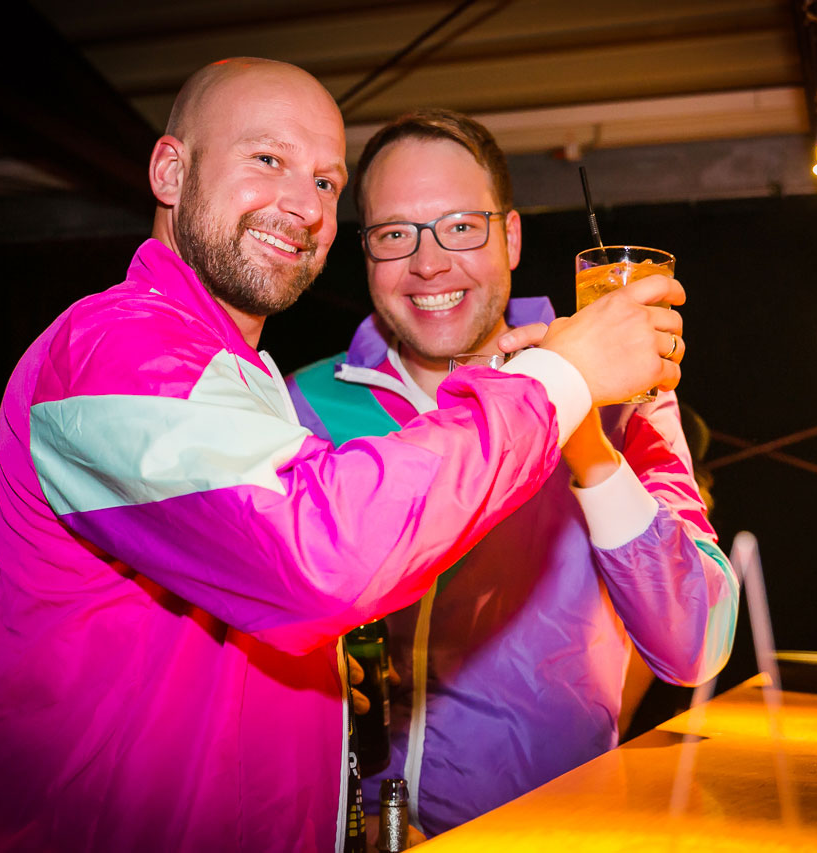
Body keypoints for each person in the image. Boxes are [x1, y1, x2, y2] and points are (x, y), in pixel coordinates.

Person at [0, 59, 681, 852]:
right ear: (171, 172)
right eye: (268, 158)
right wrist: (563, 378)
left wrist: (315, 683)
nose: (304, 205)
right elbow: (316, 553)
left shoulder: (242, 379)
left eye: (327, 182)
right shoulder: (110, 349)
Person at [286, 109, 739, 836]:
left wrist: (584, 435)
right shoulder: (306, 402)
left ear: (513, 237)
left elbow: (695, 645)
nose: (428, 264)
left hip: (548, 831)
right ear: (364, 251)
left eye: (462, 226)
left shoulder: (624, 396)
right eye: (395, 234)